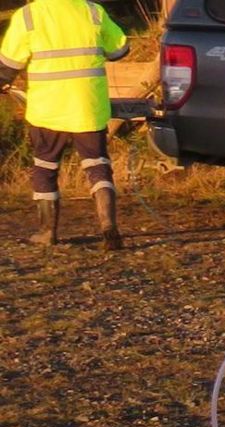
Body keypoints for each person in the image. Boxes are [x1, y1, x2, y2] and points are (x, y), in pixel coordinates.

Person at [0, 0, 129, 248]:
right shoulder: (92, 11)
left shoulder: (28, 15)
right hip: (88, 106)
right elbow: (120, 50)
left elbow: (8, 65)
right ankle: (108, 226)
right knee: (97, 163)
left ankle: (47, 233)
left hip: (48, 108)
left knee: (46, 166)